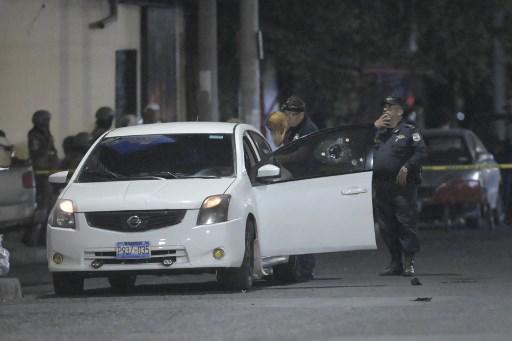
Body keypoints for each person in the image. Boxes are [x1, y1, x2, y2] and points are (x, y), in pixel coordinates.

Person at [373, 96, 427, 277]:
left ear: (400, 111)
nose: (386, 111)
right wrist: (374, 127)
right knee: (386, 226)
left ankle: (409, 262)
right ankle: (394, 261)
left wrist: (407, 166)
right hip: (381, 186)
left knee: (405, 223)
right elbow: (360, 147)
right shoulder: (378, 133)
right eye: (384, 108)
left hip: (403, 187)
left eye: (390, 107)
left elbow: (421, 152)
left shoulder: (410, 131)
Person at [281, 95, 318, 280]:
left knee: (306, 227)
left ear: (301, 113)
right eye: (287, 113)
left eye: (292, 113)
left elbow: (301, 155)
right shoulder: (292, 130)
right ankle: (298, 266)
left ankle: (307, 268)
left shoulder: (309, 130)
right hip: (294, 184)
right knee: (297, 227)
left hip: (307, 184)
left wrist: (277, 159)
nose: (289, 117)